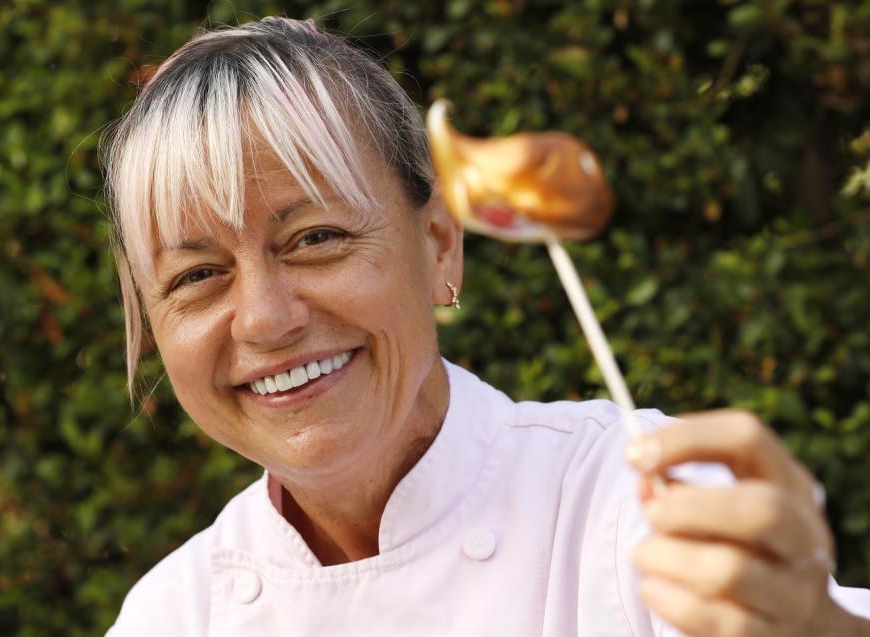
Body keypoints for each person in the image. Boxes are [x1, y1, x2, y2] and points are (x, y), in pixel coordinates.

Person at [102, 16, 870, 636]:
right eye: (197, 275)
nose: (266, 317)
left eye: (315, 237)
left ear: (438, 244)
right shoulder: (173, 614)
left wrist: (817, 627)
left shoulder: (631, 503)